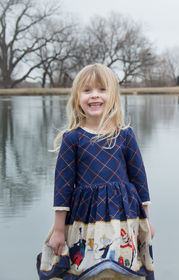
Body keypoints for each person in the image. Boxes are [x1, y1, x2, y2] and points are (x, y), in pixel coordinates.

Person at [37, 63, 155, 280]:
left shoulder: (125, 135)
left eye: (102, 89)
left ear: (113, 96)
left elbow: (140, 179)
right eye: (87, 90)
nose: (95, 96)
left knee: (123, 272)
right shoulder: (72, 138)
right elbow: (62, 186)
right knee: (89, 273)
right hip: (86, 221)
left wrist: (146, 220)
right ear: (77, 97)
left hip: (123, 220)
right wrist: (58, 229)